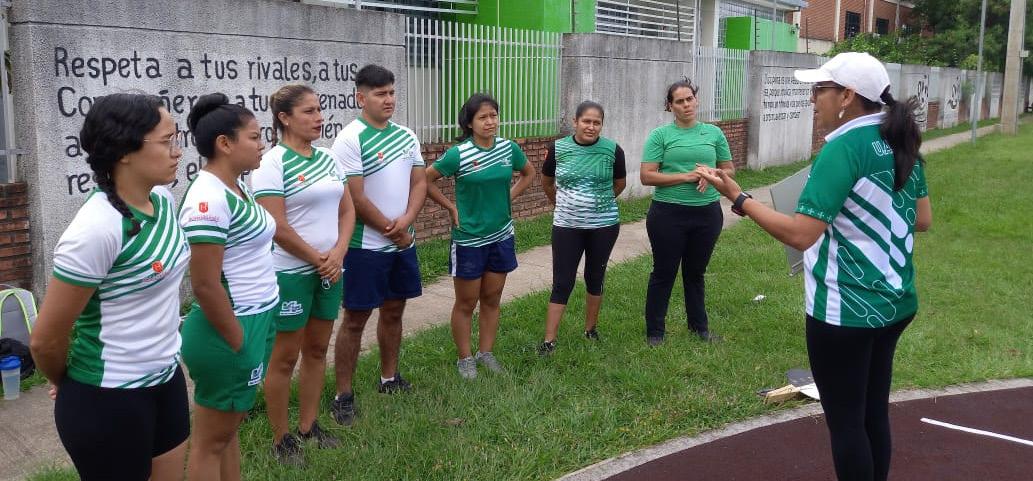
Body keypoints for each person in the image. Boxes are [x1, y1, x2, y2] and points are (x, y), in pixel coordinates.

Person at [696, 52, 932, 481]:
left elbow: (800, 235)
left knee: (846, 422)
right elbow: (923, 218)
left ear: (847, 96)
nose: (812, 99)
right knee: (872, 412)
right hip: (896, 302)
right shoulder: (899, 141)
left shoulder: (842, 148)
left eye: (820, 90)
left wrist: (739, 198)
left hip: (846, 310)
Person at [29, 93, 190, 481]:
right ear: (125, 152)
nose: (178, 151)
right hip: (108, 396)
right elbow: (45, 340)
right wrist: (66, 382)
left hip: (166, 377)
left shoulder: (162, 200)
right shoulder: (96, 230)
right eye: (166, 141)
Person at [252, 84, 355, 464]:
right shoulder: (272, 163)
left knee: (316, 349)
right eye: (309, 111)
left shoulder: (329, 159)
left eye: (319, 110)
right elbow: (276, 225)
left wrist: (338, 252)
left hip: (330, 269)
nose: (319, 118)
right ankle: (282, 439)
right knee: (284, 357)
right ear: (284, 117)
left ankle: (309, 426)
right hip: (291, 273)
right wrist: (318, 258)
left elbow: (347, 211)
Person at [178, 93, 278, 481]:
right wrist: (238, 340)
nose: (262, 144)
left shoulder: (235, 186)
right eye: (254, 137)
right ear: (225, 143)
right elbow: (204, 284)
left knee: (227, 434)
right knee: (210, 444)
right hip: (229, 329)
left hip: (255, 318)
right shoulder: (208, 198)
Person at [329, 64, 426, 425]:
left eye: (392, 92)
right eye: (380, 93)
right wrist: (392, 230)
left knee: (395, 310)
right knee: (355, 318)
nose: (389, 100)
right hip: (364, 246)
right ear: (361, 97)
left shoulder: (407, 136)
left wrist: (408, 220)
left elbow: (419, 182)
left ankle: (389, 378)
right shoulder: (350, 139)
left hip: (401, 243)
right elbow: (354, 197)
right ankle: (343, 395)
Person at [425, 93, 535, 379]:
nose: (490, 122)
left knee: (492, 298)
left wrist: (509, 197)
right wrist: (450, 207)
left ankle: (486, 353)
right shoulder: (458, 154)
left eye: (493, 116)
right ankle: (465, 358)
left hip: (501, 235)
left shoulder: (509, 149)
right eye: (482, 117)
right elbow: (425, 179)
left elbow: (528, 173)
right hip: (469, 240)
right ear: (469, 123)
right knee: (466, 302)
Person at [640, 79, 735, 346]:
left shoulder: (713, 133)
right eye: (679, 101)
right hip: (667, 214)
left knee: (695, 273)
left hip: (707, 214)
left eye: (689, 99)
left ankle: (699, 328)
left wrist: (711, 173)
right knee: (664, 272)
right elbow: (647, 176)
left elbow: (729, 169)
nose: (686, 105)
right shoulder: (660, 136)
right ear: (670, 106)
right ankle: (655, 332)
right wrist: (687, 176)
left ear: (696, 100)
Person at [537, 100, 626, 355]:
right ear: (575, 121)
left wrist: (599, 203)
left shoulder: (613, 150)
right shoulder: (558, 148)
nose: (591, 126)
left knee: (594, 277)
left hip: (604, 226)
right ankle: (549, 341)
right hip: (566, 226)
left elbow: (619, 183)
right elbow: (547, 182)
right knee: (562, 281)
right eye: (586, 121)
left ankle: (590, 330)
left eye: (597, 122)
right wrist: (562, 205)